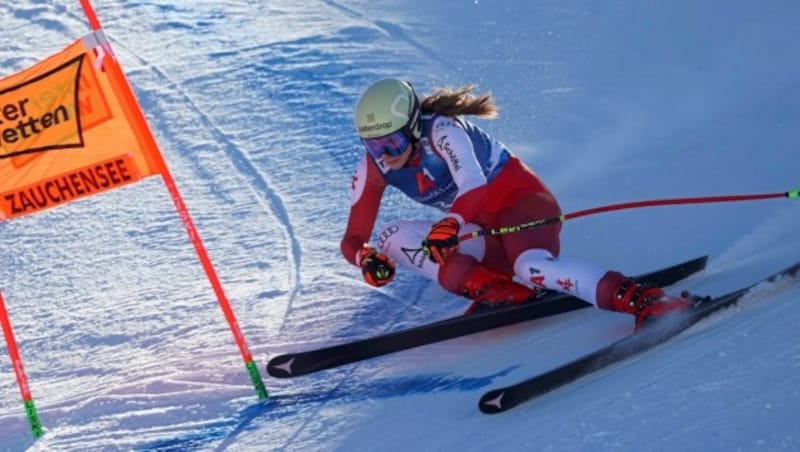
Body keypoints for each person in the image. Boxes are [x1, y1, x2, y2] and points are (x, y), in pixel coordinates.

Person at [341, 78, 688, 331]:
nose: (386, 154)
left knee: (532, 268)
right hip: (480, 229)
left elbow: (474, 185)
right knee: (392, 236)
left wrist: (451, 225)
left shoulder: (443, 131)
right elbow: (354, 237)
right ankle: (498, 291)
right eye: (374, 146)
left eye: (393, 141)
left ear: (414, 126)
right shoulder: (374, 168)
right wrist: (365, 257)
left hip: (524, 209)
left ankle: (646, 299)